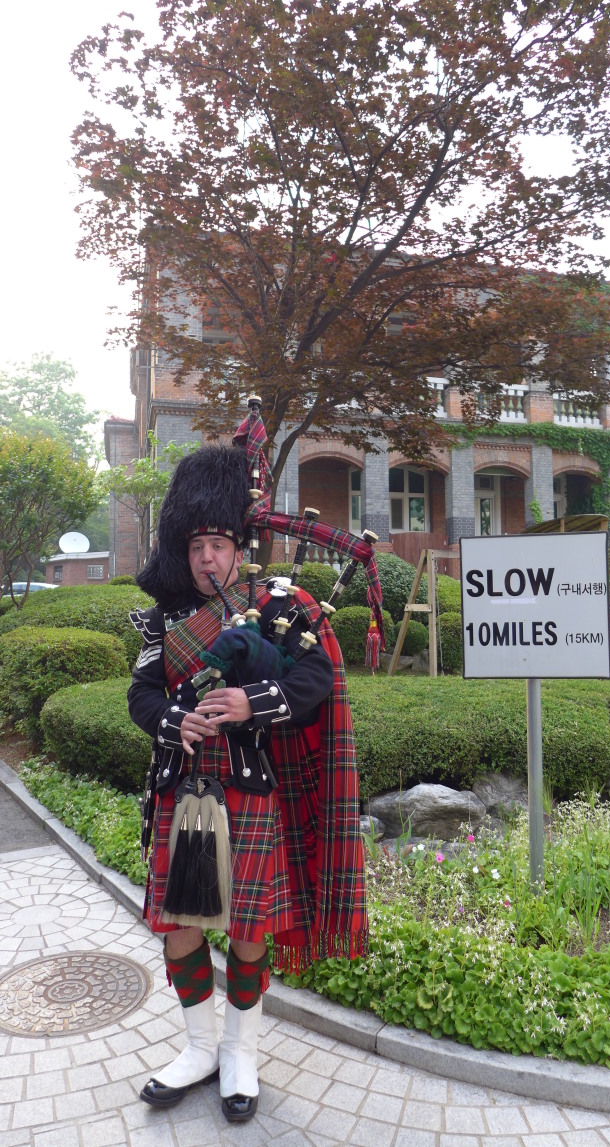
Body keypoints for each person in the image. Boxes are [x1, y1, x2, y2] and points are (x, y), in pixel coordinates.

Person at [127, 438, 369, 1124]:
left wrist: (249, 703)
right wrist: (174, 719)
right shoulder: (164, 618)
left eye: (220, 544)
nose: (208, 557)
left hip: (248, 785)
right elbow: (140, 697)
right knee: (177, 926)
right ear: (185, 544)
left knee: (247, 926)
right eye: (198, 544)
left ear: (239, 545)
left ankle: (241, 1052)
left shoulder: (279, 605)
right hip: (182, 790)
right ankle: (199, 1047)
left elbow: (317, 679)